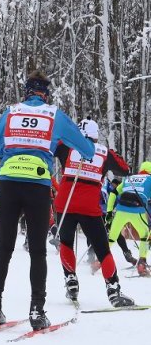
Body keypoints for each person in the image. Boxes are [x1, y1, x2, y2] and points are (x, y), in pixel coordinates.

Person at [0, 71, 93, 330]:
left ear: (27, 92)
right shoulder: (54, 115)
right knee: (38, 251)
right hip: (37, 185)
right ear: (46, 93)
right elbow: (85, 149)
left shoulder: (11, 112)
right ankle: (37, 311)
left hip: (8, 182)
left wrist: (11, 149)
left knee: (4, 248)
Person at [53, 117, 133, 306]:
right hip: (89, 206)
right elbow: (124, 169)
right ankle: (113, 290)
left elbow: (49, 145)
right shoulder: (104, 152)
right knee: (102, 248)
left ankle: (71, 280)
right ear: (96, 136)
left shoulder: (66, 146)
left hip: (65, 203)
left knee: (65, 242)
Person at [107, 164, 151, 277]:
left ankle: (99, 259)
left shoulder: (129, 178)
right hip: (137, 210)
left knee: (112, 236)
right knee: (145, 234)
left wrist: (109, 211)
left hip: (121, 210)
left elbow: (113, 192)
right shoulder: (150, 179)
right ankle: (142, 263)